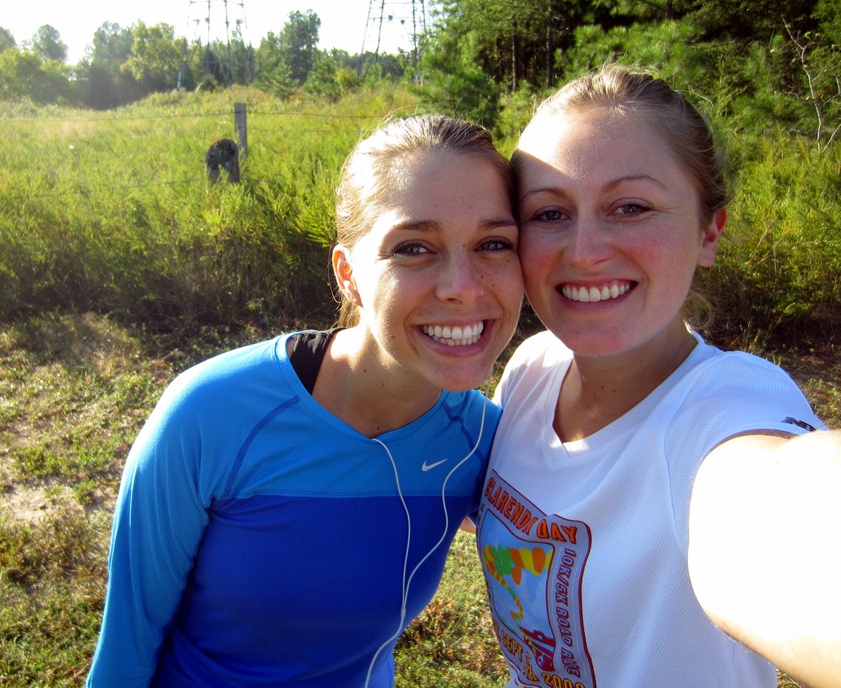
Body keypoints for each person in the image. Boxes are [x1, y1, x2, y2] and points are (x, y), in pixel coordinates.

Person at [87, 114, 524, 687]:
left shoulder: (483, 442)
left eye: (494, 244)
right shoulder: (211, 416)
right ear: (348, 274)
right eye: (414, 247)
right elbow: (124, 653)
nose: (463, 287)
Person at [478, 64, 841, 688]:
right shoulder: (532, 370)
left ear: (708, 231)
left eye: (631, 207)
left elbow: (786, 515)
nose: (584, 251)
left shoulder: (722, 410)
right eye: (549, 213)